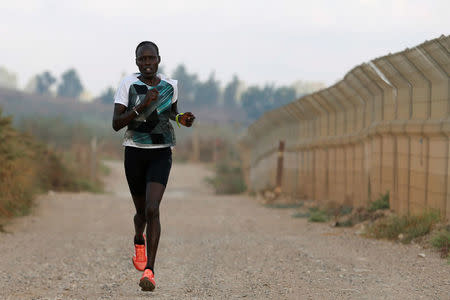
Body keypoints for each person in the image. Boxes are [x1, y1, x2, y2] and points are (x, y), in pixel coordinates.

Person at [112, 41, 195, 291]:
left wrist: (182, 118)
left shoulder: (171, 86)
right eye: (142, 59)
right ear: (136, 62)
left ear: (159, 59)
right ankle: (138, 237)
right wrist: (142, 104)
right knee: (140, 214)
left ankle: (150, 270)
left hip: (161, 153)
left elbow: (169, 113)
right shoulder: (128, 84)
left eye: (151, 58)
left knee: (152, 209)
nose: (147, 63)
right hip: (134, 153)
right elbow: (116, 123)